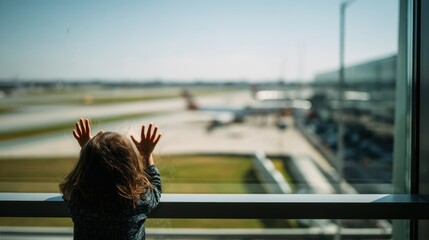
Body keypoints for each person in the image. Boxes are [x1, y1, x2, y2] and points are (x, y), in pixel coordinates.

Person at [59, 118, 162, 240]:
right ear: (130, 168)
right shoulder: (138, 202)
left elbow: (74, 183)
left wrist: (87, 151)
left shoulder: (77, 199)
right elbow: (155, 187)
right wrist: (146, 155)